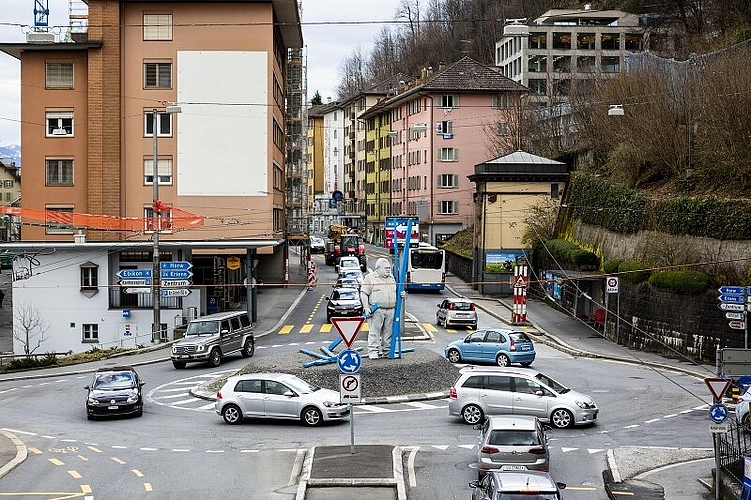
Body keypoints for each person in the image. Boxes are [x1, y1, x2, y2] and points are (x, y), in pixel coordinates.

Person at [360, 257, 397, 359]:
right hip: (377, 310)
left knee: (388, 332)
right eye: (385, 268)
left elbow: (396, 291)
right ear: (378, 268)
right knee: (374, 331)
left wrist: (401, 295)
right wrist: (366, 307)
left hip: (390, 309)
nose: (388, 270)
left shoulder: (392, 278)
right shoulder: (370, 278)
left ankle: (387, 351)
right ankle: (373, 351)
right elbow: (364, 293)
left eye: (389, 268)